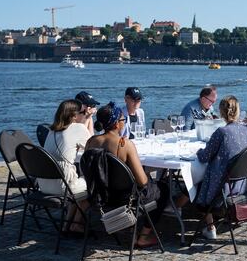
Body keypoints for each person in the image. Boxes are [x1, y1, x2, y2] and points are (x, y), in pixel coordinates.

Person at [86, 102, 167, 248]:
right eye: (123, 120)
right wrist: (147, 174)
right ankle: (143, 236)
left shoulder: (91, 142)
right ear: (117, 124)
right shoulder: (124, 144)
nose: (124, 123)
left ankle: (128, 229)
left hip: (101, 196)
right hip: (124, 199)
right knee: (163, 189)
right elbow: (142, 181)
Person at [194, 96, 247, 240]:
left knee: (196, 183)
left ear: (221, 113)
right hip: (243, 186)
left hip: (224, 190)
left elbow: (204, 157)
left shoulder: (222, 132)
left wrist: (198, 151)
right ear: (238, 111)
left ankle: (210, 227)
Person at [38, 99, 90, 231]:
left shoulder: (51, 130)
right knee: (94, 185)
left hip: (44, 184)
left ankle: (67, 224)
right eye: (82, 112)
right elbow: (93, 148)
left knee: (78, 184)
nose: (83, 114)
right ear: (74, 115)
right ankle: (76, 224)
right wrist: (88, 120)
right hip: (63, 185)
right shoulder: (78, 128)